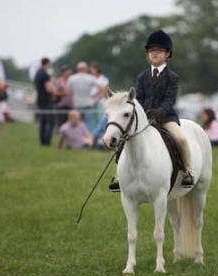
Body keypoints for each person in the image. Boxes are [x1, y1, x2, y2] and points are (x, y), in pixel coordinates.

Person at [109, 29, 194, 192]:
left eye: (159, 51)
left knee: (181, 139)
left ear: (167, 54)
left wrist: (160, 111)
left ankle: (188, 172)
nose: (154, 54)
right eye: (151, 51)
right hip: (145, 119)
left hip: (166, 117)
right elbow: (138, 99)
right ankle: (119, 176)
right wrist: (142, 113)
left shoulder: (172, 77)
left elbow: (170, 99)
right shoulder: (142, 77)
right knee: (124, 141)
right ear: (147, 54)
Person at [66, 61, 99, 132]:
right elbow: (102, 88)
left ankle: (78, 141)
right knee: (89, 125)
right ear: (86, 68)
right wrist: (95, 99)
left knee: (77, 124)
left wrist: (72, 100)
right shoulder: (91, 78)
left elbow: (68, 91)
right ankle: (89, 141)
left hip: (77, 104)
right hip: (89, 104)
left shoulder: (71, 78)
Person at [34, 57, 56, 146]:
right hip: (47, 101)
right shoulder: (45, 74)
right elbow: (49, 89)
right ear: (46, 63)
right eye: (50, 63)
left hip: (40, 100)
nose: (51, 65)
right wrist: (53, 84)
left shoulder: (38, 73)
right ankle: (47, 141)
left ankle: (42, 141)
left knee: (43, 121)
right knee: (51, 122)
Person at [90, 62, 109, 132]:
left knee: (101, 119)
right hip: (91, 102)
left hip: (101, 102)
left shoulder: (103, 79)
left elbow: (104, 91)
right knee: (93, 121)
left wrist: (96, 99)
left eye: (92, 69)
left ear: (96, 69)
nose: (91, 71)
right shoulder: (91, 78)